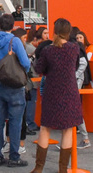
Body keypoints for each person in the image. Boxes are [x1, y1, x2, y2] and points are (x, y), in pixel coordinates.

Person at [28, 18, 81, 173]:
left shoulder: (48, 50)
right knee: (68, 129)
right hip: (70, 92)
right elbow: (75, 66)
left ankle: (38, 168)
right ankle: (63, 169)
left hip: (52, 92)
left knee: (45, 129)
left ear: (55, 31)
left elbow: (39, 69)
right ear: (68, 32)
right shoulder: (74, 48)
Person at [0, 12, 30, 166]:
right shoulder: (14, 41)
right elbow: (26, 63)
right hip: (15, 86)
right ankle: (14, 157)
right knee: (15, 122)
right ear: (12, 25)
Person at [71, 29, 92, 148]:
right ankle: (84, 138)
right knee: (74, 112)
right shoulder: (75, 48)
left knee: (75, 112)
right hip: (74, 85)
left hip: (75, 86)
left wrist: (72, 78)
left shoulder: (76, 49)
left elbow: (82, 64)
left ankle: (85, 139)